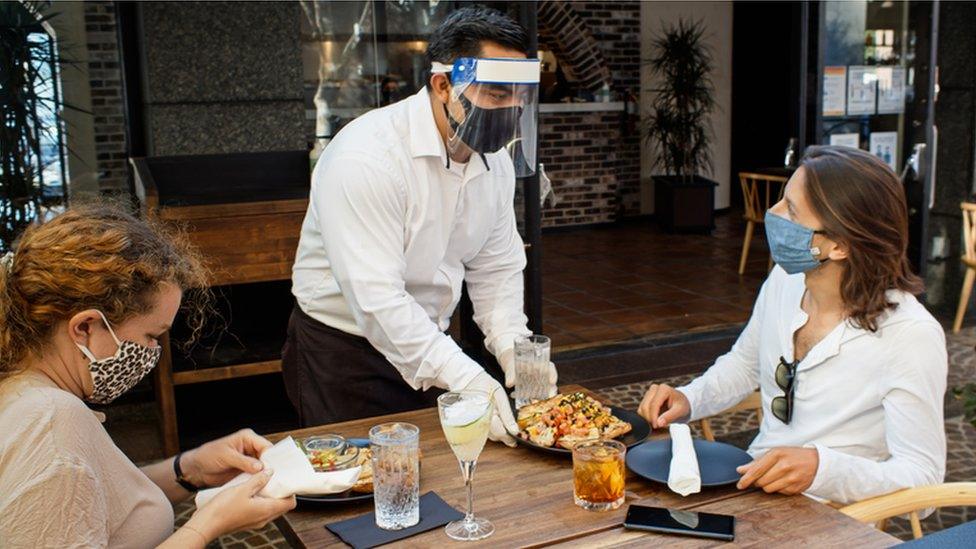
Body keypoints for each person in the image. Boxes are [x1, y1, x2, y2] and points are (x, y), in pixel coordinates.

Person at [284, 6, 556, 445]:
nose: (510, 109)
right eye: (495, 94)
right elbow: (377, 299)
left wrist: (514, 350)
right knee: (362, 487)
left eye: (518, 97)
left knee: (442, 477)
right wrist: (466, 375)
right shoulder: (366, 157)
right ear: (443, 84)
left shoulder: (497, 162)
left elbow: (497, 269)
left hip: (432, 341)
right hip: (346, 351)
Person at [638, 146, 947, 505]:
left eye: (792, 210)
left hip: (833, 517)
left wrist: (824, 470)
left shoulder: (910, 336)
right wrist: (689, 399)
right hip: (751, 486)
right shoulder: (786, 280)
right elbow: (745, 364)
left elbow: (923, 477)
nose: (773, 213)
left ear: (840, 246)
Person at [0, 207, 295, 547]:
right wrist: (207, 525)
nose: (153, 353)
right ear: (85, 327)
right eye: (152, 337)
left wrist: (191, 469)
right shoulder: (50, 425)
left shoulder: (26, 390)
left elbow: (97, 500)